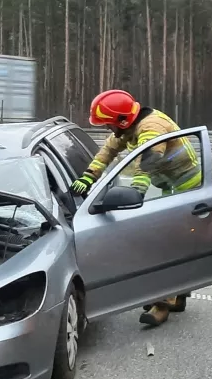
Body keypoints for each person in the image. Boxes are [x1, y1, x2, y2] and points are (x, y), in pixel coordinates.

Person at [70, 89, 201, 327]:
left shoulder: (151, 126)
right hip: (171, 188)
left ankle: (162, 303)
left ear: (122, 119)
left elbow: (148, 162)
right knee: (174, 244)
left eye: (108, 124)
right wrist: (88, 176)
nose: (108, 129)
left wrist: (135, 192)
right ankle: (178, 297)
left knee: (164, 247)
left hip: (187, 189)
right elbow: (107, 151)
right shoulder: (127, 126)